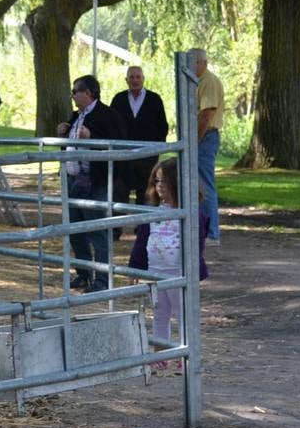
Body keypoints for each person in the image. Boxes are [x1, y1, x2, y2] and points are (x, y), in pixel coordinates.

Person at [128, 158, 208, 372]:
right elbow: (141, 240)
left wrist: (195, 270)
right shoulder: (154, 213)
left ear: (178, 183)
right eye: (156, 181)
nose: (159, 186)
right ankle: (160, 354)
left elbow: (197, 244)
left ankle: (185, 355)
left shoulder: (191, 214)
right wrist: (135, 266)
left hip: (178, 274)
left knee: (183, 315)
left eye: (164, 182)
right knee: (160, 314)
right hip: (156, 273)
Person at [57, 74, 127, 292]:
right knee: (75, 229)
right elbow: (73, 141)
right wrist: (64, 133)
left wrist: (93, 137)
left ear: (88, 93)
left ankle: (103, 279)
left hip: (95, 182)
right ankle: (83, 273)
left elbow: (118, 143)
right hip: (75, 180)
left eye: (75, 91)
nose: (72, 95)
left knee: (97, 230)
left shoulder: (107, 114)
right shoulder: (77, 115)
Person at [110, 65, 169, 207]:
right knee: (119, 193)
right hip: (123, 157)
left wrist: (155, 150)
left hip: (147, 156)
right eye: (131, 77)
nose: (135, 80)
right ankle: (116, 228)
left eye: (138, 77)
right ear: (126, 80)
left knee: (146, 194)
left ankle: (143, 228)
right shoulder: (119, 99)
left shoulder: (154, 99)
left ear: (143, 79)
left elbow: (162, 127)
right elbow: (111, 125)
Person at [190, 48, 224, 245]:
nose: (190, 67)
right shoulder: (199, 81)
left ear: (202, 62)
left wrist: (194, 140)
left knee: (204, 183)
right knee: (198, 183)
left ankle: (211, 233)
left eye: (192, 62)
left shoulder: (209, 81)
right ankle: (203, 229)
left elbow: (206, 114)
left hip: (206, 136)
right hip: (202, 135)